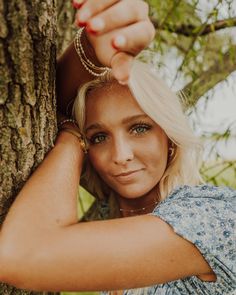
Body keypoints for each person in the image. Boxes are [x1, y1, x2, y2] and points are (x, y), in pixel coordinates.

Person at [0, 1, 235, 295]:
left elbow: (23, 255)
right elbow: (41, 107)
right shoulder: (111, 208)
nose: (121, 156)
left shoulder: (213, 217)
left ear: (170, 139)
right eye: (99, 137)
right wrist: (91, 47)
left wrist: (72, 135)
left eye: (139, 128)